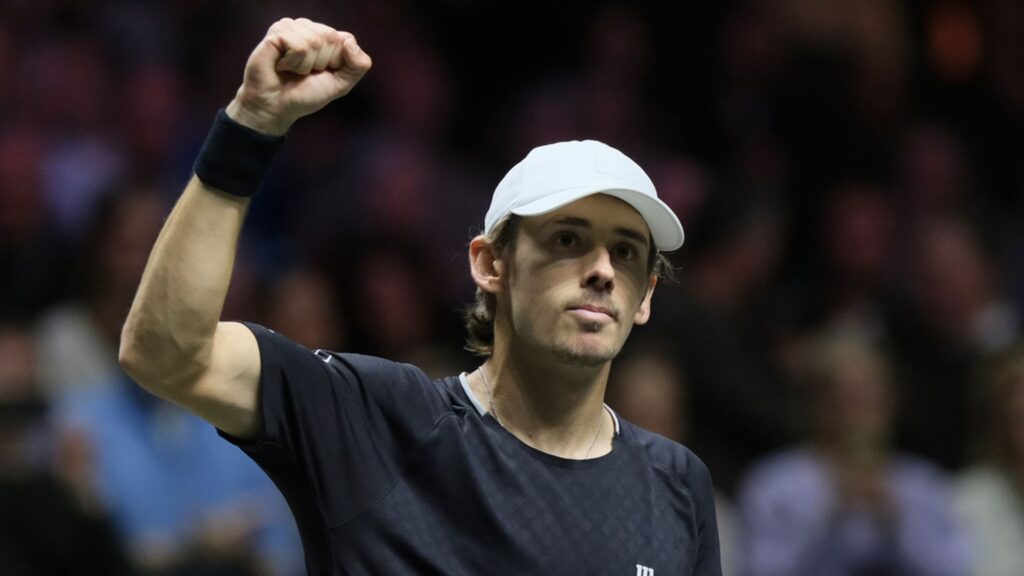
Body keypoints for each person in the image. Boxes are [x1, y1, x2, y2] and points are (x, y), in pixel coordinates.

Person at [119, 17, 721, 575]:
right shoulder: (375, 421)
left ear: (644, 296)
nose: (600, 270)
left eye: (624, 252)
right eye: (568, 239)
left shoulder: (676, 483)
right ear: (490, 264)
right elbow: (169, 351)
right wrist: (250, 125)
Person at [737, 331, 970, 576]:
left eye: (870, 398)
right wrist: (832, 515)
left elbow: (957, 568)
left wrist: (897, 522)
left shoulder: (921, 483)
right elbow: (758, 570)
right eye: (846, 398)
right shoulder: (776, 484)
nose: (859, 413)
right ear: (817, 403)